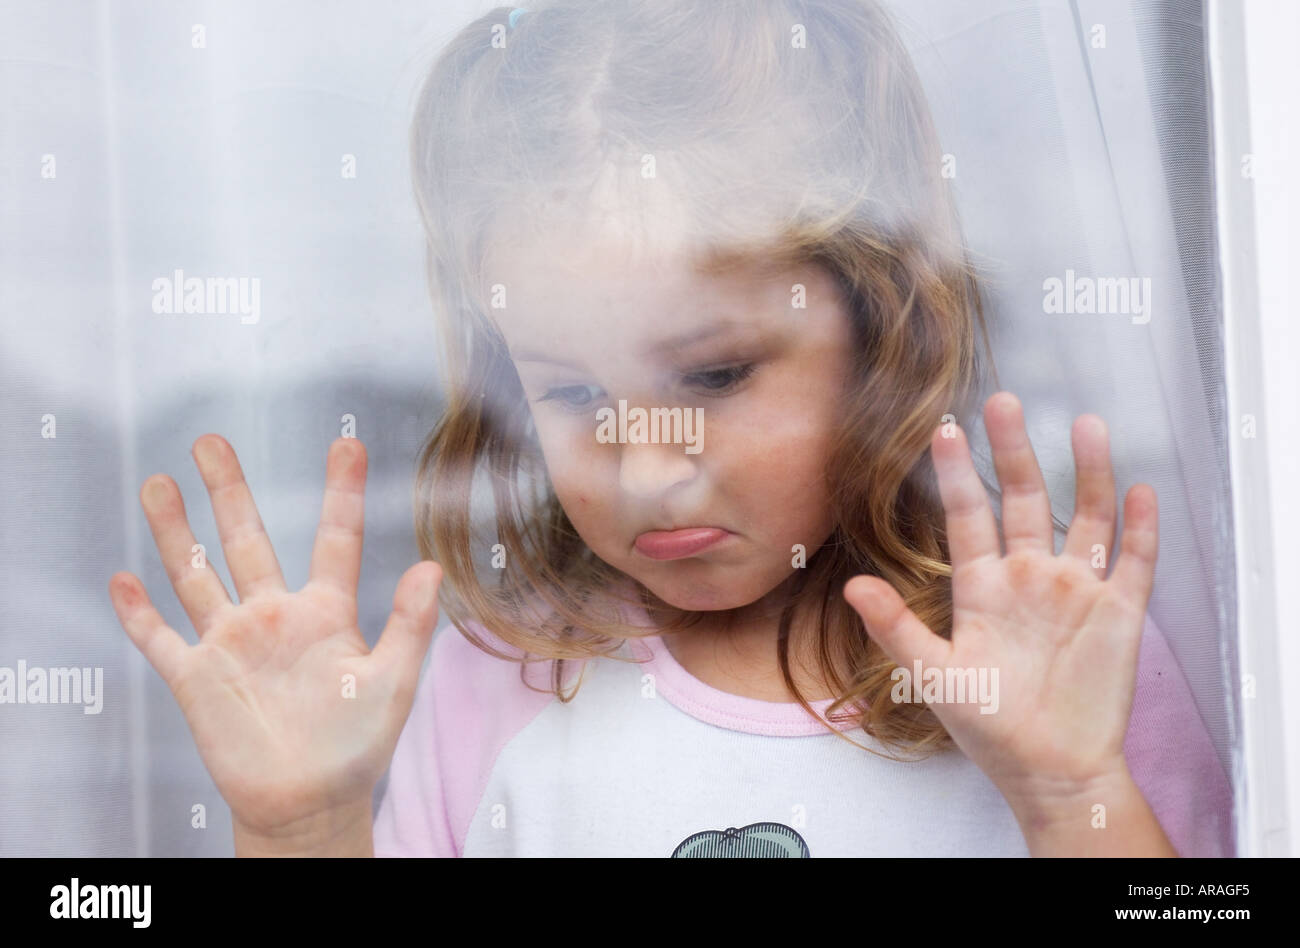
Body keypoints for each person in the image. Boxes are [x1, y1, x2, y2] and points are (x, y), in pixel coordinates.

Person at [108, 0, 1232, 857]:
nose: (646, 472)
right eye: (573, 395)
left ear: (876, 331)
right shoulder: (497, 680)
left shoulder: (1055, 651)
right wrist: (304, 826)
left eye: (714, 373)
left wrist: (1072, 794)